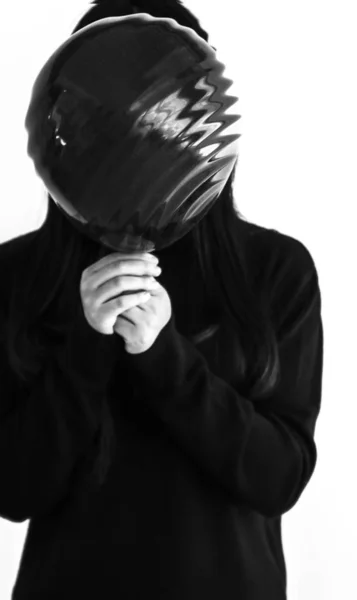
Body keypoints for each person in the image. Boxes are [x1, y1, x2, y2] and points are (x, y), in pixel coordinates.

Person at [0, 1, 324, 598]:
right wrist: (85, 346)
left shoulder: (275, 271)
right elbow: (14, 489)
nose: (140, 125)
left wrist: (162, 356)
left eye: (164, 103)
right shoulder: (17, 274)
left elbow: (279, 477)